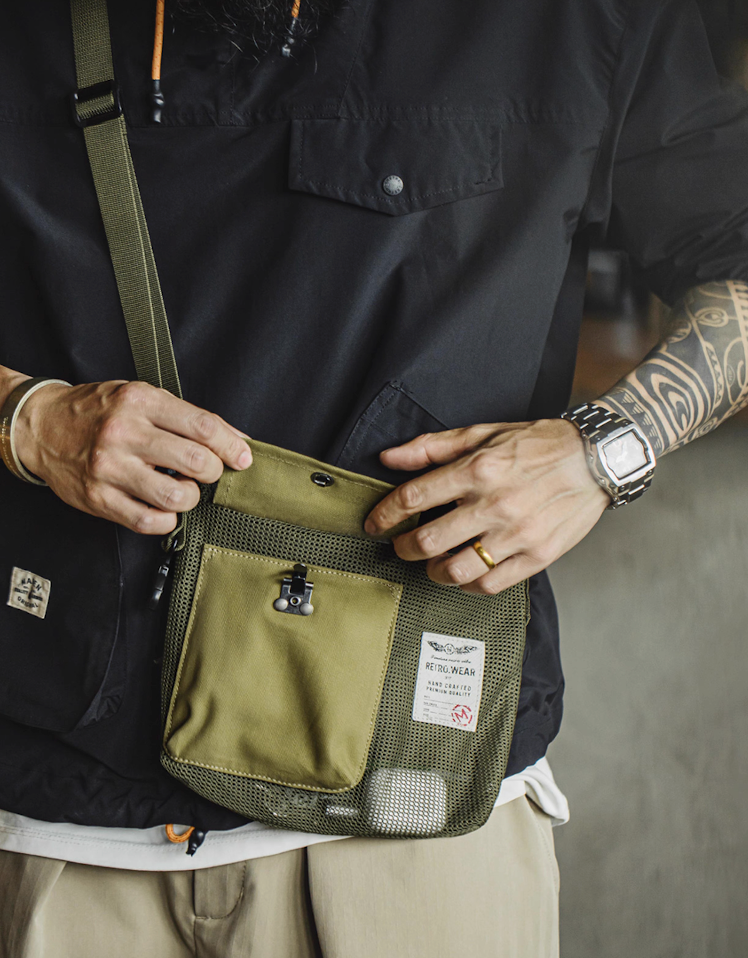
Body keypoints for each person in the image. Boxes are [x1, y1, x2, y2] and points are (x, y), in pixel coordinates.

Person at [1, 0, 747, 955]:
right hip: (60, 829)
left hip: (417, 829)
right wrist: (28, 420)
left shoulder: (580, 19)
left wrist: (607, 450)